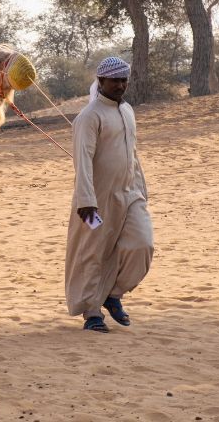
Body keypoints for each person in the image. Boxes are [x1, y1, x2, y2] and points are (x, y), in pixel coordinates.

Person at [64, 56, 154, 333]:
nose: (120, 85)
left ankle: (113, 295)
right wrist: (86, 201)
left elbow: (133, 155)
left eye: (124, 80)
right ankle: (92, 312)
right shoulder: (89, 117)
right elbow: (83, 161)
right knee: (93, 254)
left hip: (130, 193)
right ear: (100, 81)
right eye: (115, 80)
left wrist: (141, 188)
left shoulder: (127, 111)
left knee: (142, 245)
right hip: (96, 200)